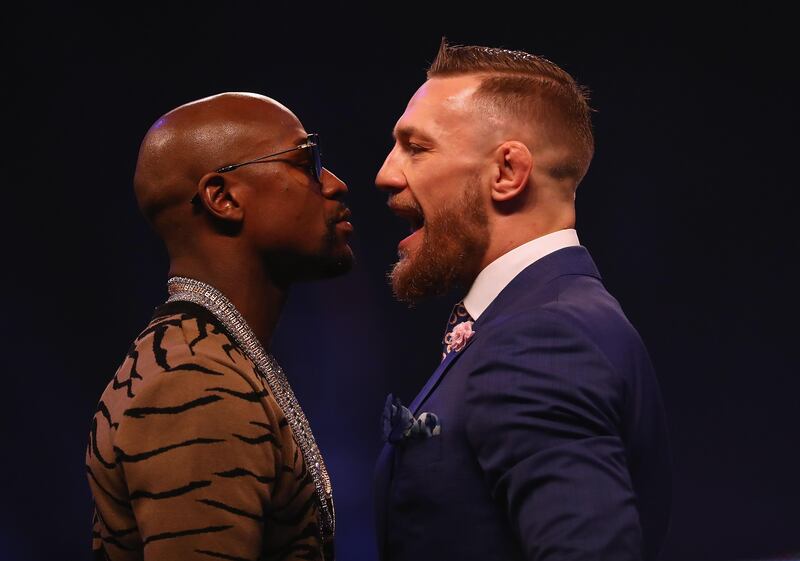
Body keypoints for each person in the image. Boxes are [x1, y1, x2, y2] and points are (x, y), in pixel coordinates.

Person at [373, 40, 672, 561]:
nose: (386, 174)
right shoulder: (553, 318)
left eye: (416, 148)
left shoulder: (541, 339)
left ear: (508, 172)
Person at [85, 92, 354, 561]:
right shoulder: (192, 383)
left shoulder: (206, 358)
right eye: (305, 162)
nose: (335, 185)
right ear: (223, 198)